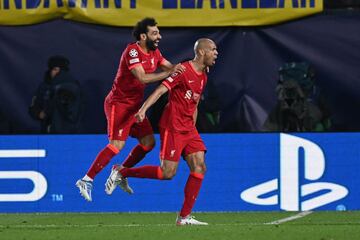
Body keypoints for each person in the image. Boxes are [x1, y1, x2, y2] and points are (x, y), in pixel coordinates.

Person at [105, 38, 218, 225]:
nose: (216, 53)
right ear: (202, 52)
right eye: (213, 50)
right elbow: (159, 91)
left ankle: (183, 217)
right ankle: (122, 171)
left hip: (188, 128)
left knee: (200, 167)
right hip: (173, 126)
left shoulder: (204, 76)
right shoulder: (182, 70)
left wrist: (193, 127)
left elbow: (195, 103)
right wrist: (143, 110)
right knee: (168, 173)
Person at [75, 17, 184, 201]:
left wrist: (186, 70)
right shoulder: (132, 51)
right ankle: (86, 179)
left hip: (135, 106)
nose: (159, 36)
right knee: (117, 145)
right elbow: (142, 78)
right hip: (119, 104)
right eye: (155, 33)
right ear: (143, 36)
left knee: (148, 143)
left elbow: (172, 67)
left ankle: (120, 172)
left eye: (159, 32)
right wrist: (169, 73)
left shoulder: (155, 53)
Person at [29, 55, 82, 133]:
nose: (57, 73)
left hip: (68, 133)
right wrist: (38, 113)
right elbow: (34, 105)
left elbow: (73, 112)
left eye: (60, 70)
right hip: (47, 132)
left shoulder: (72, 87)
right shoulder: (44, 87)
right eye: (54, 69)